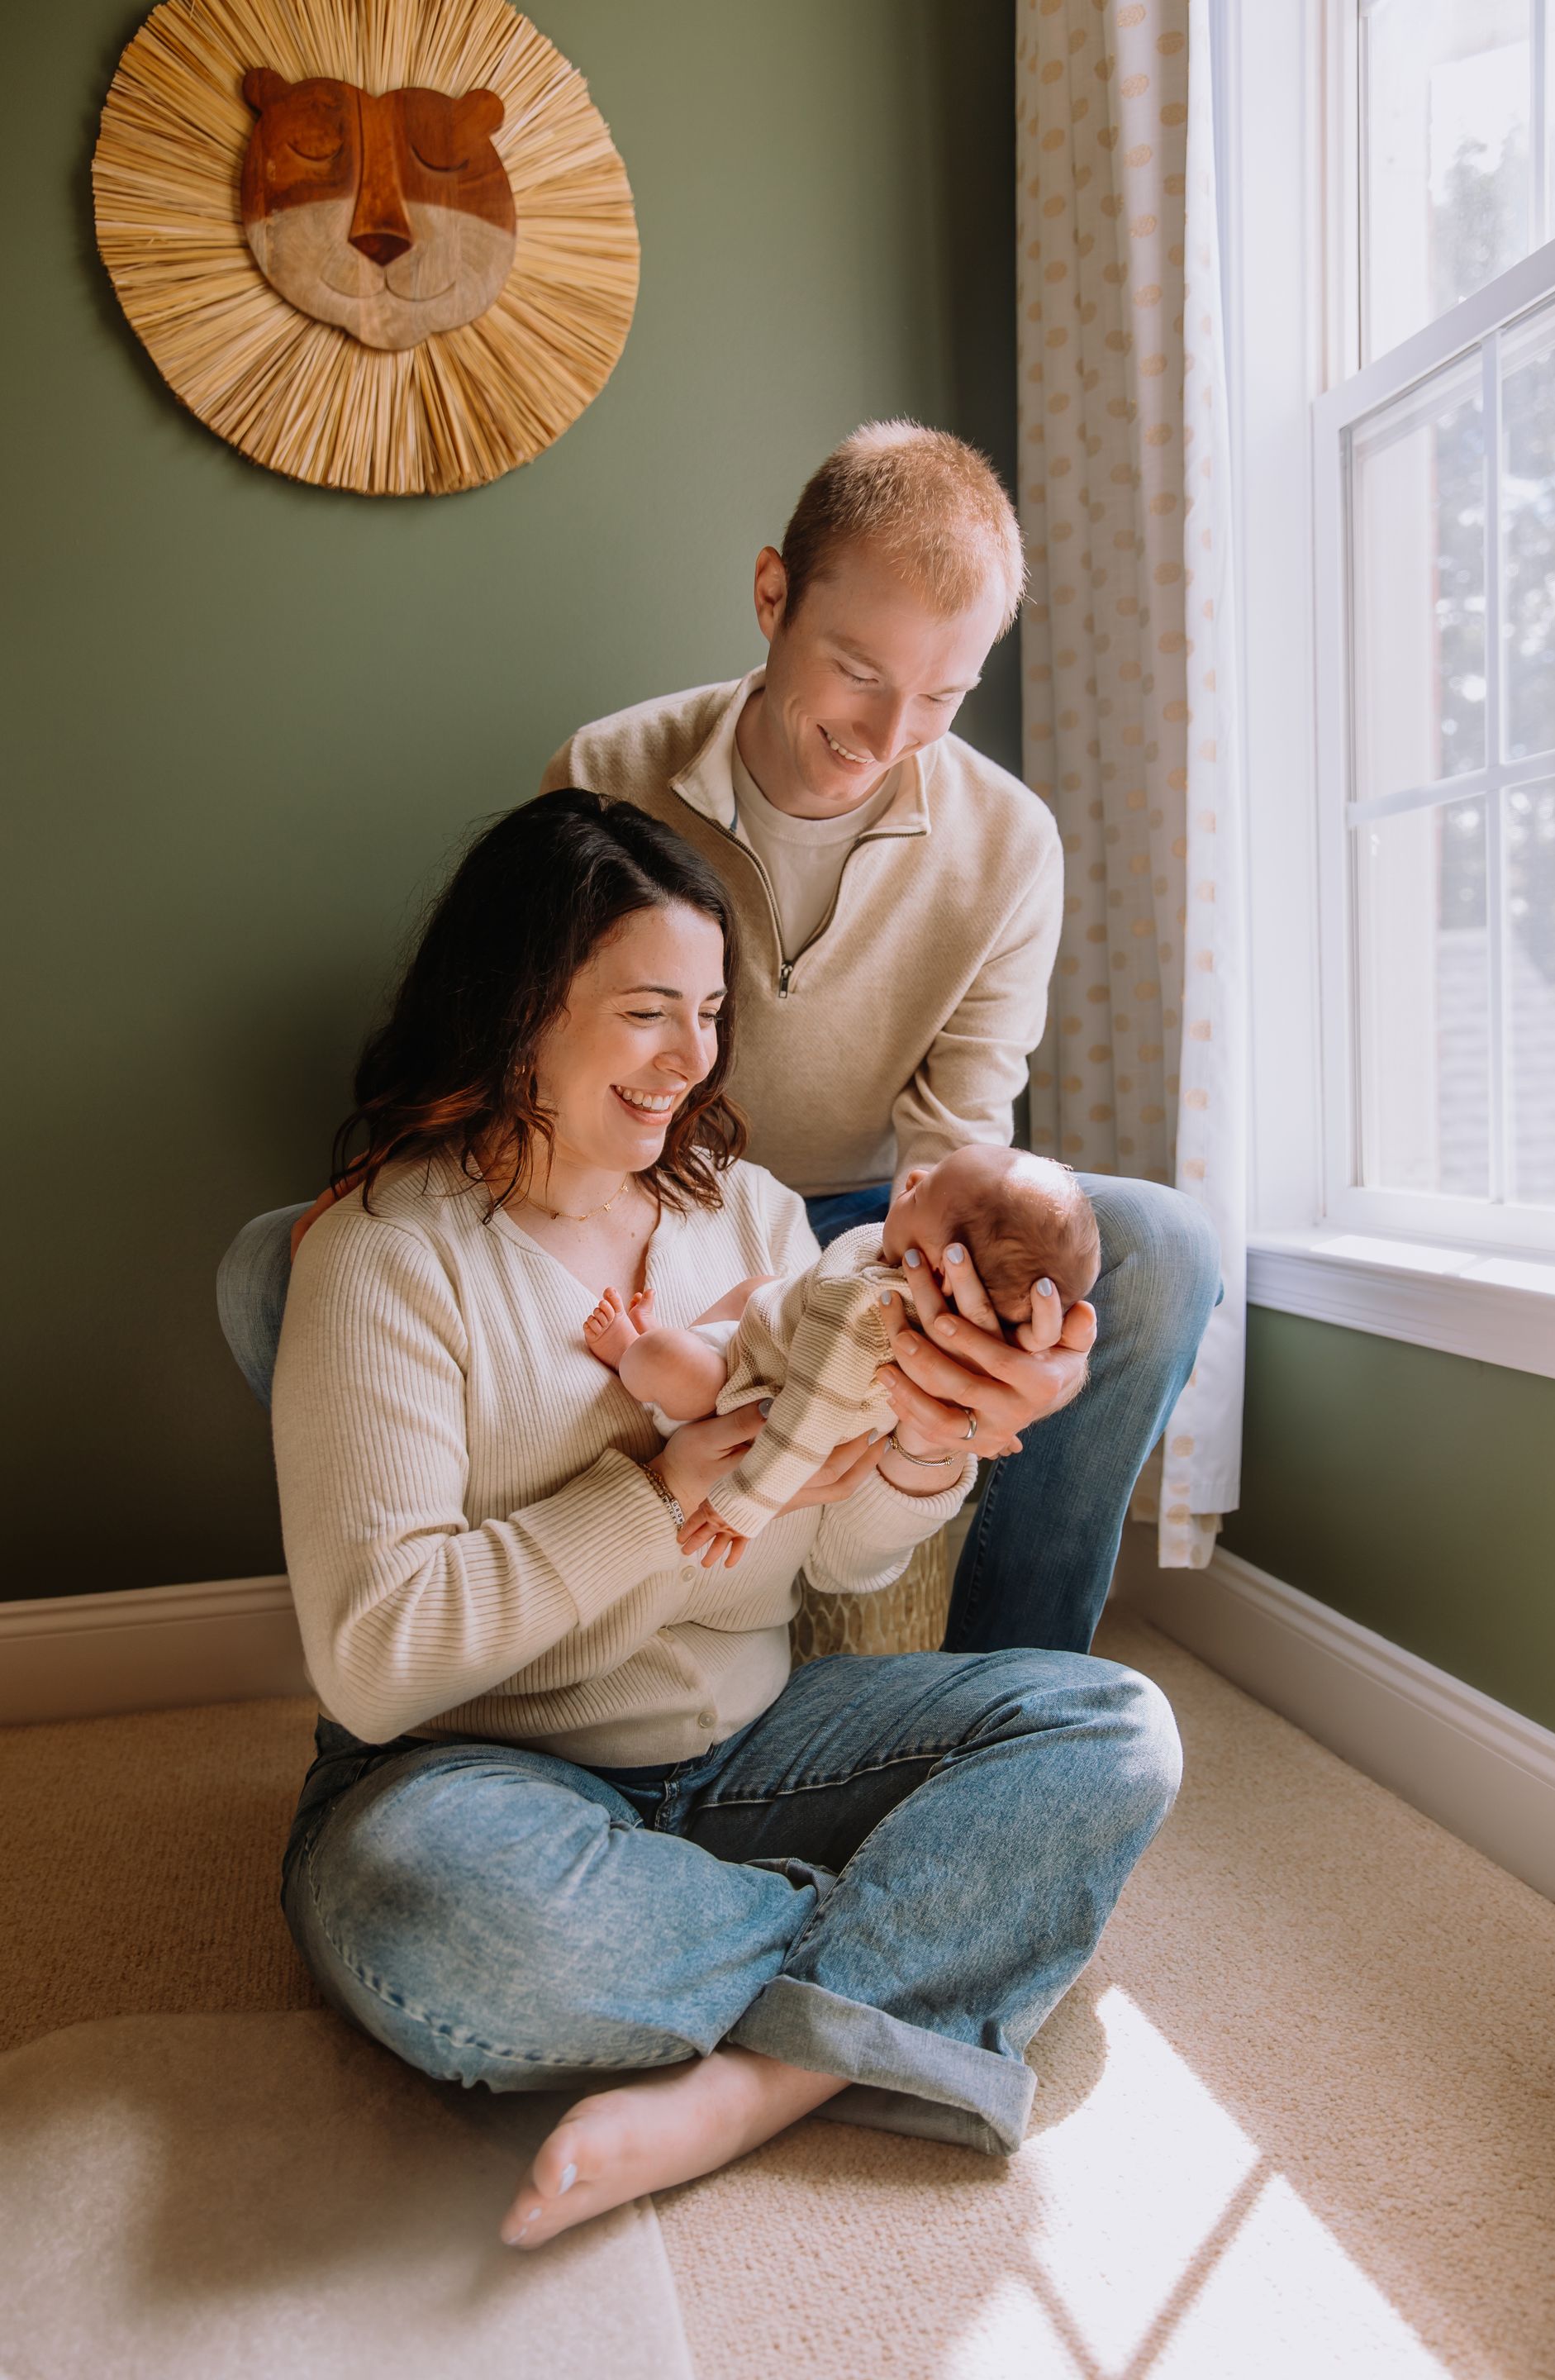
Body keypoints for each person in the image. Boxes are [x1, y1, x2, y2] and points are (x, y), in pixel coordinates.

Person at [272, 792, 1182, 2248]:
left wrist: (928, 1447)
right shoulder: (387, 1258)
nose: (693, 1057)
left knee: (1114, 1730)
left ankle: (755, 2079)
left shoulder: (754, 1222)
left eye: (708, 1011)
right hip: (476, 1778)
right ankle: (899, 1967)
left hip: (753, 1742)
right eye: (647, 1011)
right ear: (517, 1012)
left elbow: (841, 1562)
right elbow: (379, 1664)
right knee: (436, 1923)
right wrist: (659, 1490)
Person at [217, 418, 1220, 1654]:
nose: (889, 731)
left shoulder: (1011, 843)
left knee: (1162, 1246)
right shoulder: (608, 768)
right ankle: (482, 1646)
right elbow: (534, 1029)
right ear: (771, 595)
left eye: (945, 697)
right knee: (277, 1263)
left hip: (864, 1221)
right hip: (650, 1203)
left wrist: (967, 1341)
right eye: (859, 669)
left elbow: (958, 1139)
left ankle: (994, 1681)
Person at [584, 1145, 1101, 1568]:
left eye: (923, 1193)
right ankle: (691, 1339)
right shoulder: (905, 1267)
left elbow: (805, 1419)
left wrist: (742, 1504)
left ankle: (632, 1350)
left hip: (747, 1402)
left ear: (946, 1271)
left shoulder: (860, 1319)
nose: (914, 1174)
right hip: (769, 1342)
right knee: (762, 1288)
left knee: (667, 1360)